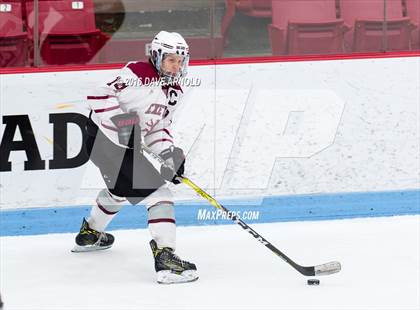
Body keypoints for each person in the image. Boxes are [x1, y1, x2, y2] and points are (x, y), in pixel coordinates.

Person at [72, 31, 198, 284]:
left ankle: (90, 233)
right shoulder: (139, 74)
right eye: (170, 59)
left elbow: (157, 127)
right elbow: (97, 95)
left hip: (119, 146)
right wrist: (123, 122)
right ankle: (166, 258)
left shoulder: (175, 90)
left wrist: (168, 154)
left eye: (180, 60)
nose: (176, 65)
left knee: (120, 190)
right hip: (103, 139)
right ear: (156, 56)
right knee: (160, 195)